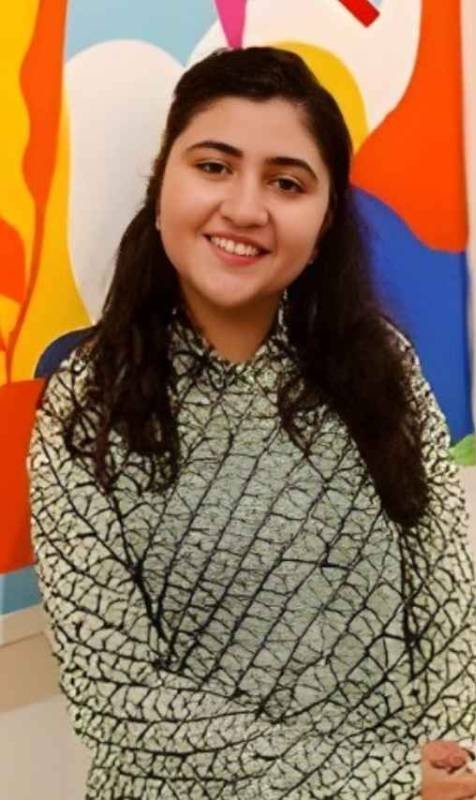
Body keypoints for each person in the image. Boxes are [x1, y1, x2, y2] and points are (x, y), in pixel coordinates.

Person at [28, 46, 475, 800]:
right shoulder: (87, 407)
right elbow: (117, 701)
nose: (244, 208)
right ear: (161, 185)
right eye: (214, 166)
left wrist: (453, 760)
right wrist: (383, 783)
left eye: (286, 182)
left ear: (325, 220)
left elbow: (446, 595)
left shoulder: (381, 366)